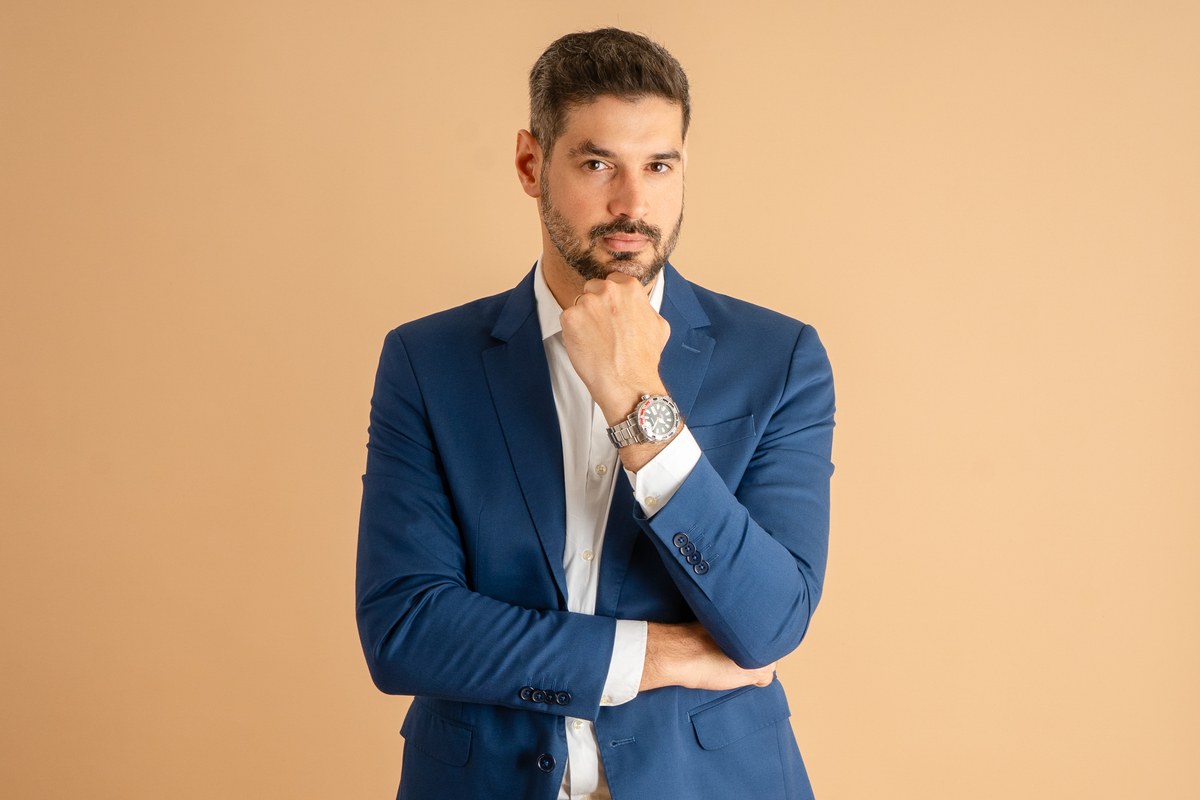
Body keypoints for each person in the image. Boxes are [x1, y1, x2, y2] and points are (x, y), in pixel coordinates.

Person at [356, 28, 835, 800]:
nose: (632, 204)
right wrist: (659, 655)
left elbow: (771, 623)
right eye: (597, 163)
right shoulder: (428, 361)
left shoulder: (778, 359)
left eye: (658, 166)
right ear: (530, 164)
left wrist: (638, 400)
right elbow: (406, 629)